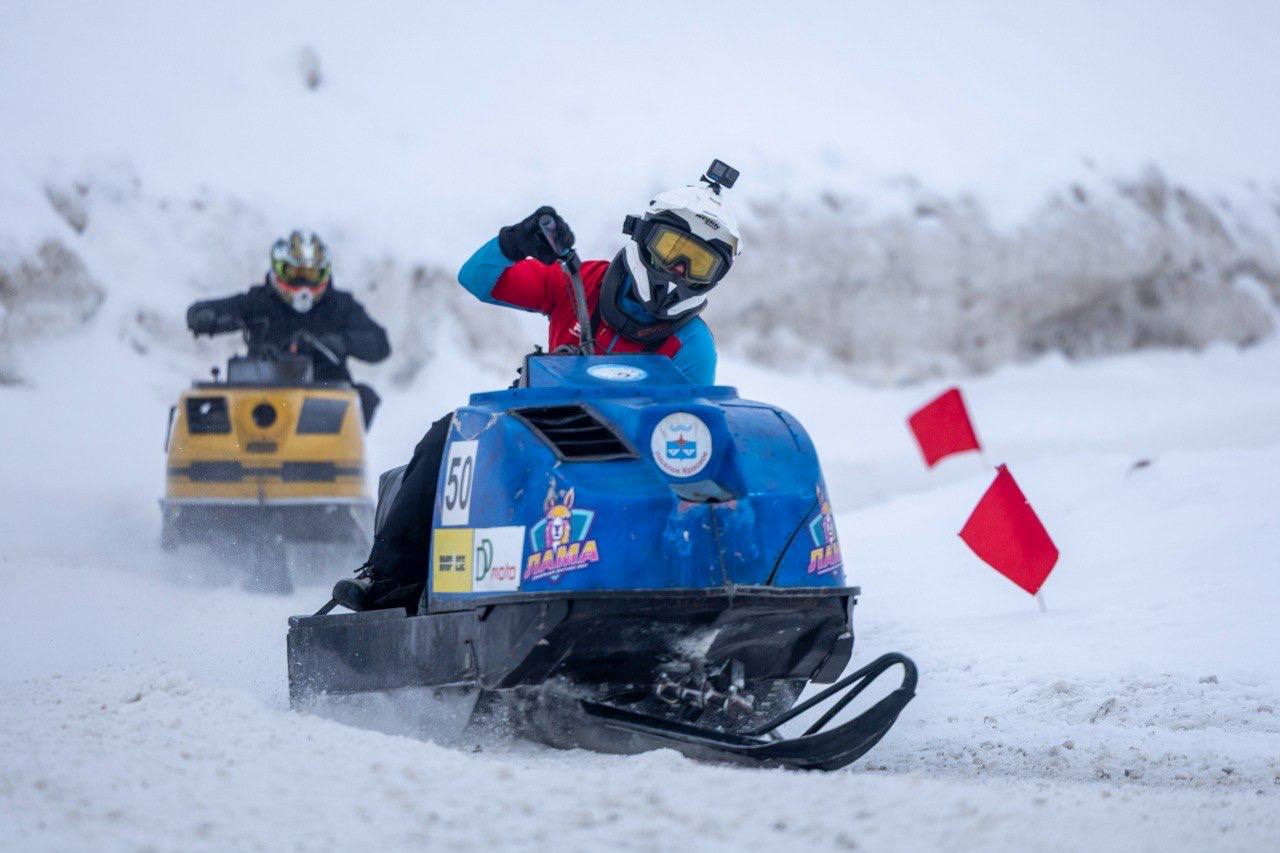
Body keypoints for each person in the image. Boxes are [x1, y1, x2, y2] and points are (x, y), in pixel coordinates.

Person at [333, 163, 742, 612]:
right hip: (534, 432)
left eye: (698, 264)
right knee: (451, 436)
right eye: (671, 251)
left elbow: (684, 437)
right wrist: (514, 242)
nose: (679, 271)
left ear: (715, 278)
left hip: (626, 463)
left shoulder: (693, 346)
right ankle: (389, 578)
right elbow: (478, 278)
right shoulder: (581, 282)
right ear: (644, 237)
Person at [186, 230, 390, 424]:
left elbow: (380, 345)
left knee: (364, 398)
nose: (304, 284)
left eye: (311, 275)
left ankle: (343, 458)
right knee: (209, 410)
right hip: (261, 396)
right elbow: (199, 312)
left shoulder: (340, 305)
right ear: (278, 270)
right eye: (294, 273)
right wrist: (206, 318)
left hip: (325, 400)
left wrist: (342, 342)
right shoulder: (259, 301)